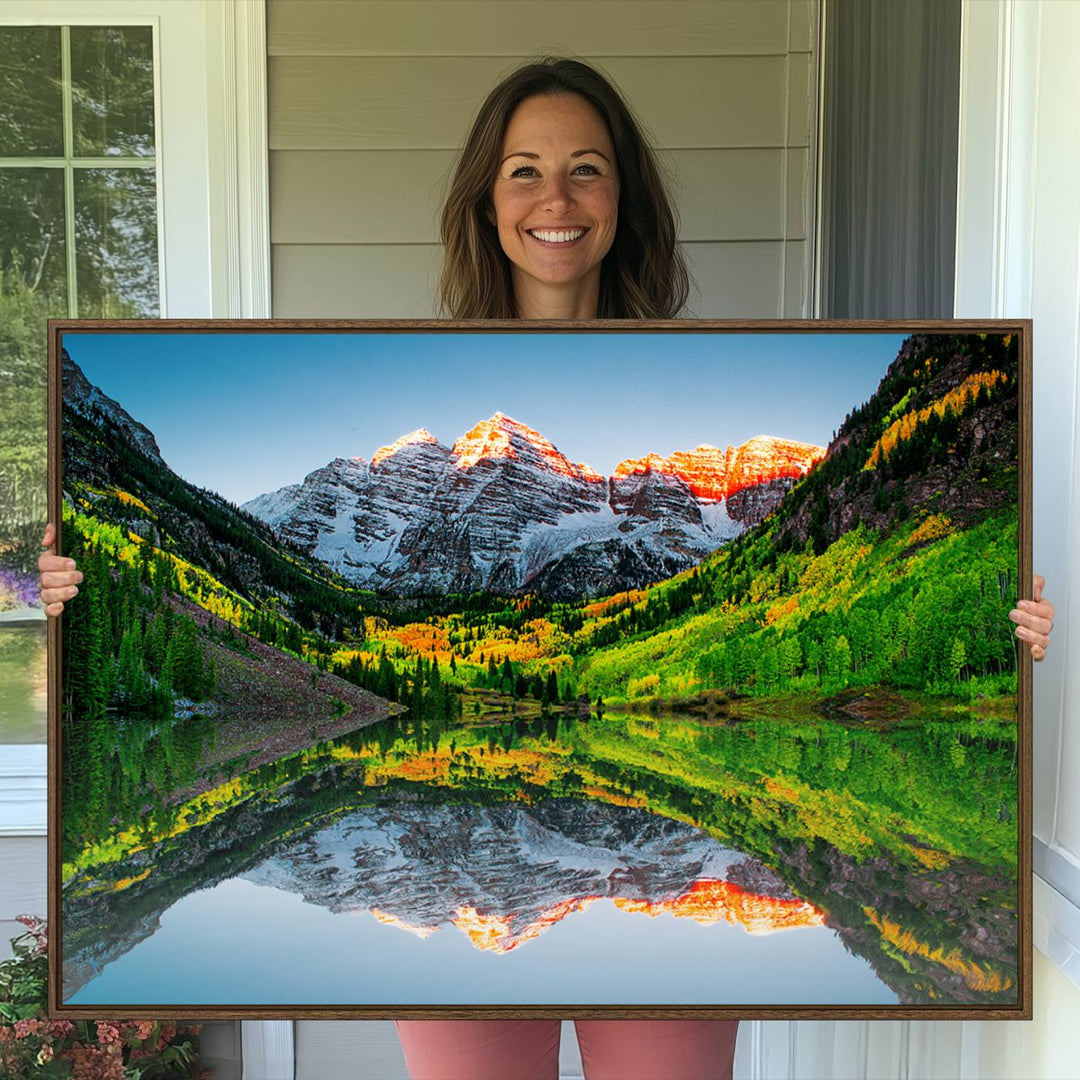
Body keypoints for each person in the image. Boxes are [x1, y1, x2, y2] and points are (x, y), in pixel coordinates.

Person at [39, 55, 1054, 1080]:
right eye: (524, 170)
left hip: (656, 938)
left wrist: (1001, 632)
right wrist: (71, 594)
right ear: (485, 200)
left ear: (626, 198)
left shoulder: (694, 364)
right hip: (460, 924)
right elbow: (37, 592)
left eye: (587, 169)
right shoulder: (418, 374)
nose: (556, 199)